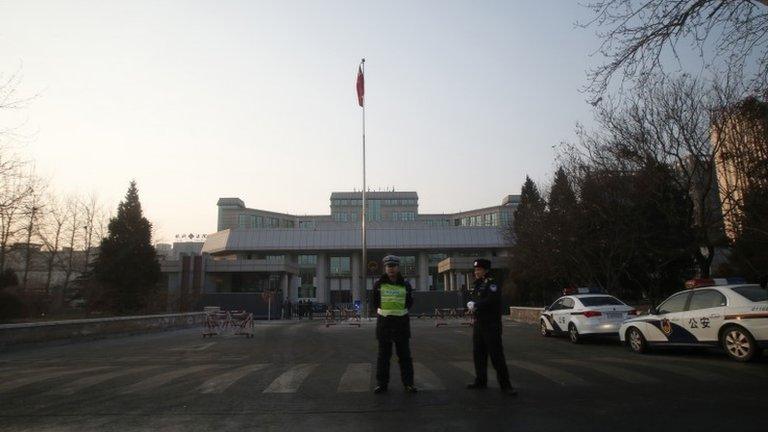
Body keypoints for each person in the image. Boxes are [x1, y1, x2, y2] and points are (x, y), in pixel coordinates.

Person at [466, 258, 517, 396]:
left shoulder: (492, 283)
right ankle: (481, 380)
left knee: (496, 355)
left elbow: (492, 300)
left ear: (486, 270)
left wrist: (476, 305)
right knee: (478, 354)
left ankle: (506, 386)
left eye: (479, 269)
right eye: (475, 270)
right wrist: (472, 304)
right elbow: (477, 299)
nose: (476, 272)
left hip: (491, 324)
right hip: (479, 323)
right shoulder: (478, 284)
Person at [370, 255, 417, 394]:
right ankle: (381, 384)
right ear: (385, 268)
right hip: (384, 325)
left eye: (393, 266)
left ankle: (409, 384)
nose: (391, 268)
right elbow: (375, 303)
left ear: (398, 267)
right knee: (383, 357)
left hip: (401, 325)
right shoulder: (378, 284)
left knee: (405, 357)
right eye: (388, 266)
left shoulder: (406, 284)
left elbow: (409, 303)